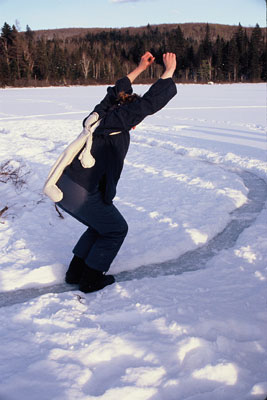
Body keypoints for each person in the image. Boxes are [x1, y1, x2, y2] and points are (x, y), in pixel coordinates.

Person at [55, 52, 177, 293]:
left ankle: (75, 273)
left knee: (100, 225)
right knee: (116, 229)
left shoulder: (99, 115)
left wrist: (140, 68)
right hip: (82, 190)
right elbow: (148, 104)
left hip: (67, 184)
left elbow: (114, 94)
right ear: (128, 117)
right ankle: (91, 279)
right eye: (134, 120)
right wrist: (168, 73)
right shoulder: (117, 123)